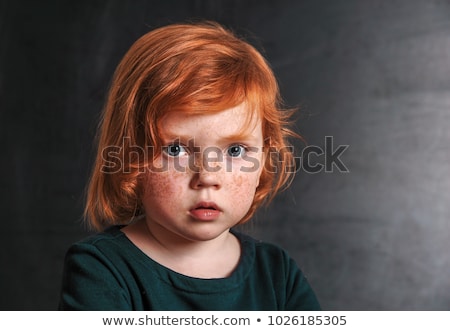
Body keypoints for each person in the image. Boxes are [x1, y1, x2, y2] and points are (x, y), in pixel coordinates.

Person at [58, 21, 321, 311]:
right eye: (175, 149)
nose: (207, 177)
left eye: (235, 150)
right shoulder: (102, 270)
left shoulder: (277, 276)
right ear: (131, 158)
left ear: (263, 160)